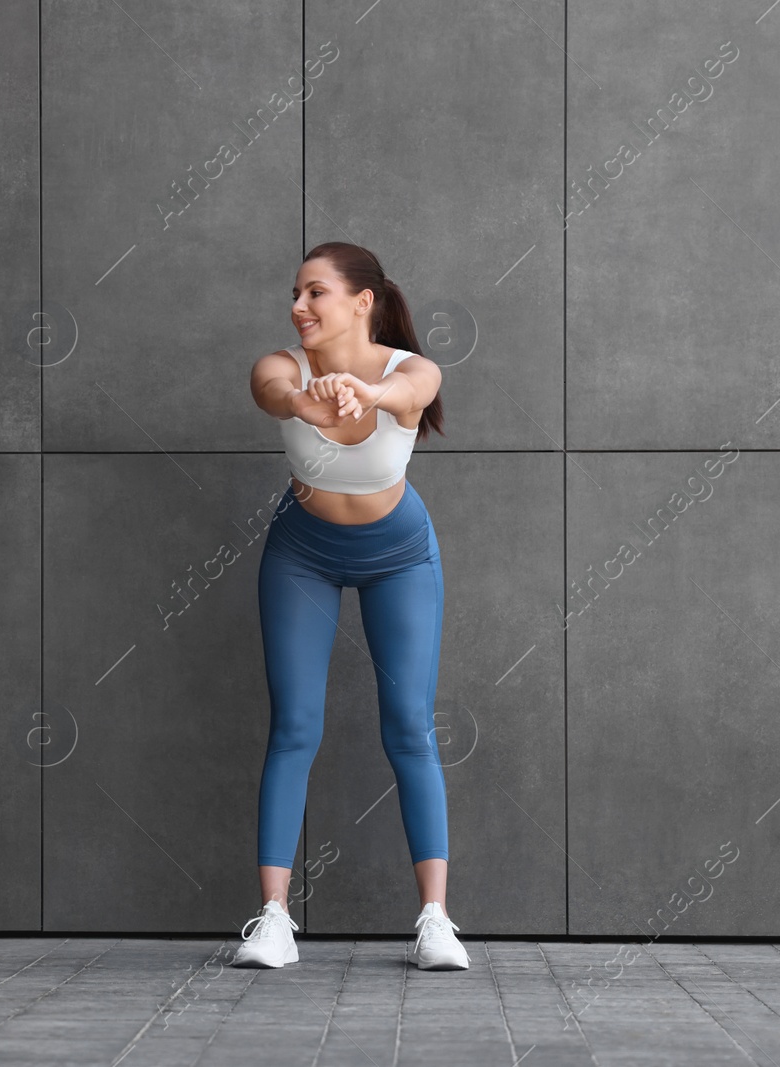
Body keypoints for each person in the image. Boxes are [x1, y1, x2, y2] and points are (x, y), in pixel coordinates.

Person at [233, 242, 468, 971]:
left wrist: (368, 397)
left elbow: (413, 395)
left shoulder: (408, 368)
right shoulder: (283, 366)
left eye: (315, 293)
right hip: (302, 551)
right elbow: (271, 390)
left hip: (399, 553)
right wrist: (306, 401)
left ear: (363, 301)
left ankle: (435, 919)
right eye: (295, 294)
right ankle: (273, 918)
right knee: (295, 724)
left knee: (410, 727)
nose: (298, 307)